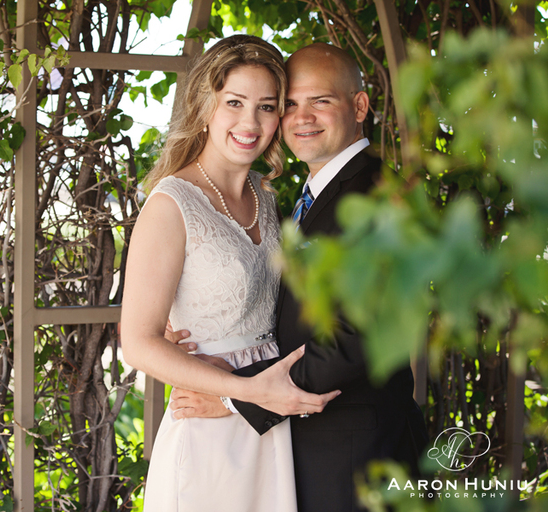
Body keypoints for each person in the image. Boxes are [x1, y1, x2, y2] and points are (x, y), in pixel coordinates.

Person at [168, 43, 428, 512]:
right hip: (304, 449)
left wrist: (234, 400)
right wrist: (188, 315)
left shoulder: (378, 196)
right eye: (289, 104)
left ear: (359, 106)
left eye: (320, 101)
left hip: (355, 455)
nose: (301, 117)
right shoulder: (302, 197)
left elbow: (353, 339)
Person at [120, 35, 340, 512]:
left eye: (266, 107)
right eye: (234, 103)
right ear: (205, 106)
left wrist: (257, 397)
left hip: (271, 425)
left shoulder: (267, 196)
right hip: (209, 429)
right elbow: (137, 343)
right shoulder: (171, 203)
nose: (250, 123)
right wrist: (243, 393)